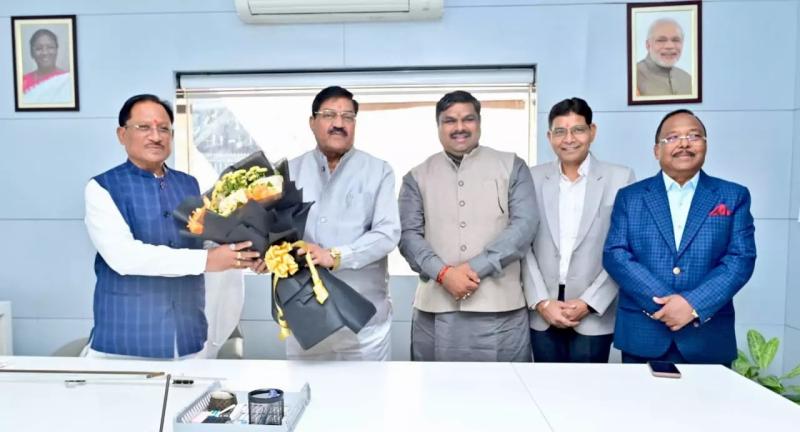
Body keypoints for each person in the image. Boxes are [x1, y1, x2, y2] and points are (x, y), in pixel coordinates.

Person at [84, 94, 260, 359]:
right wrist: (208, 260)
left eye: (164, 128)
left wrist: (246, 250)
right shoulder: (102, 187)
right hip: (127, 341)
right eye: (144, 127)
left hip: (188, 336)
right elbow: (124, 257)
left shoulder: (188, 184)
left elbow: (202, 239)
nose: (156, 136)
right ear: (122, 134)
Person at [603, 109, 756, 365]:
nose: (684, 143)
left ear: (705, 145)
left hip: (707, 337)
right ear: (657, 150)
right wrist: (668, 305)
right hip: (644, 334)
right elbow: (615, 255)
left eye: (693, 136)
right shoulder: (630, 197)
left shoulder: (733, 196)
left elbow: (741, 259)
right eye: (673, 137)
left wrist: (692, 304)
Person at [399, 90, 537, 362]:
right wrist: (443, 274)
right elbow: (408, 236)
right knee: (438, 386)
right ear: (438, 126)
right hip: (435, 309)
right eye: (450, 120)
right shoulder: (416, 176)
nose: (459, 127)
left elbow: (525, 226)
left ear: (479, 123)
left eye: (468, 119)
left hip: (502, 309)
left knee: (505, 386)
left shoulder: (512, 166)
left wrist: (474, 268)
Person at [285, 86, 400, 360]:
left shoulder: (379, 170)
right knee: (304, 389)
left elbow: (387, 233)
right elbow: (275, 233)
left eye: (348, 116)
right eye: (329, 115)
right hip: (304, 317)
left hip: (364, 325)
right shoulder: (288, 171)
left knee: (369, 390)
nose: (339, 123)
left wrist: (336, 256)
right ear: (312, 122)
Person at [522, 97, 634, 363]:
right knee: (545, 385)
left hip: (594, 310)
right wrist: (541, 301)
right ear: (549, 136)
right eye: (560, 131)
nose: (569, 139)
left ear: (592, 132)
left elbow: (625, 248)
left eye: (578, 130)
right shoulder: (531, 178)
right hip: (543, 310)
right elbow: (523, 245)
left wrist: (590, 302)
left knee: (590, 387)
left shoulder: (621, 178)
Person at [636, 18, 692, 96]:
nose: (670, 46)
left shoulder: (688, 79)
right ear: (648, 45)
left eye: (676, 40)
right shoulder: (633, 77)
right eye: (661, 40)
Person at [22, 29, 72, 104]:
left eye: (50, 47)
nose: (45, 53)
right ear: (31, 53)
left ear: (57, 50)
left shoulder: (68, 80)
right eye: (39, 48)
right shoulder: (23, 81)